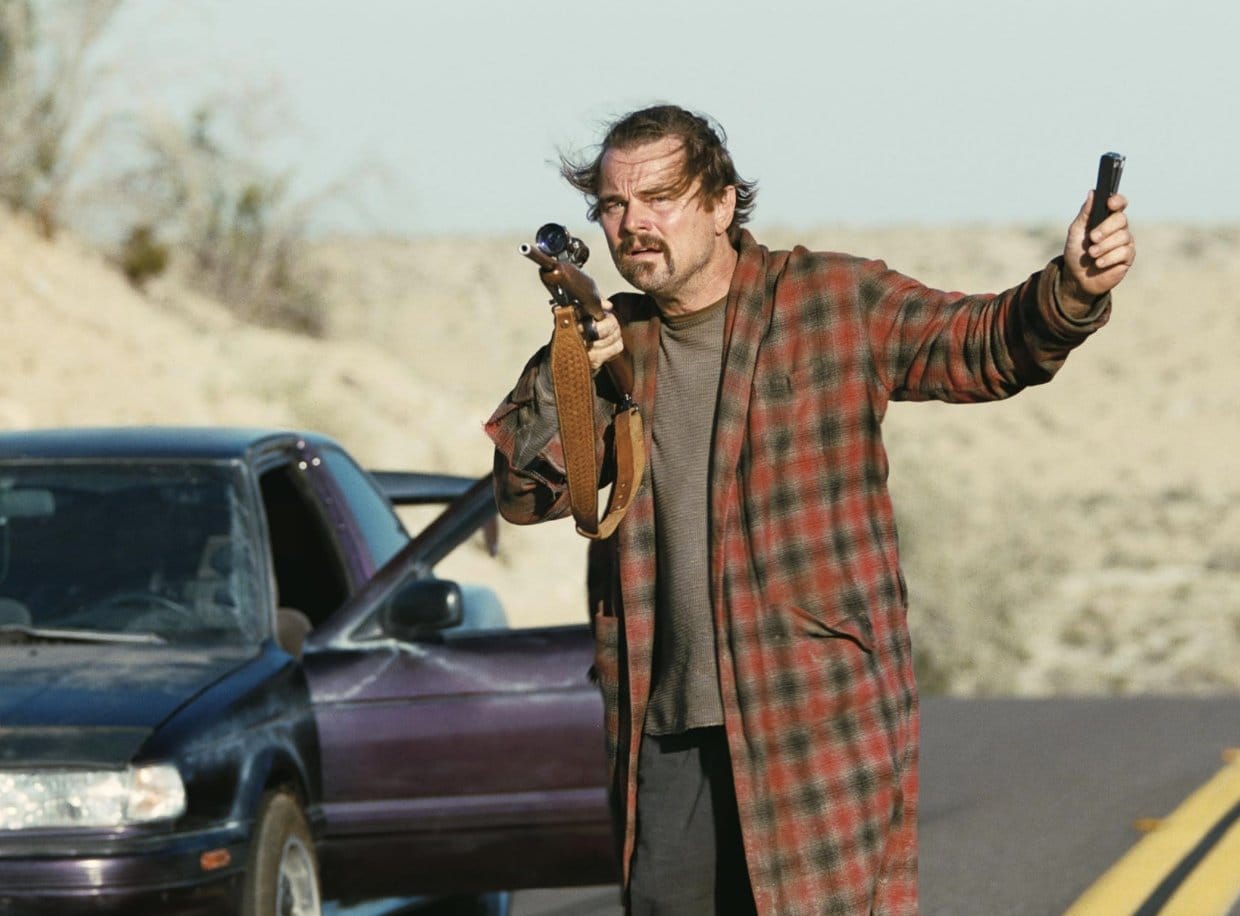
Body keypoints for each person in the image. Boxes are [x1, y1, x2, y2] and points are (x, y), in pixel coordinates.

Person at [485, 104, 1135, 916]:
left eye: (660, 198)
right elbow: (522, 494)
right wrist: (567, 373)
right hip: (667, 730)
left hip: (813, 722)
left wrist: (1070, 289)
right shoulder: (617, 342)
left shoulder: (831, 300)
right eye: (614, 205)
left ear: (721, 203)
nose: (634, 224)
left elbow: (986, 345)